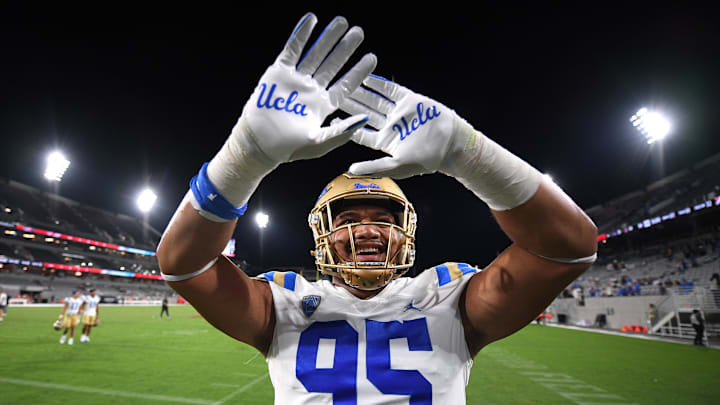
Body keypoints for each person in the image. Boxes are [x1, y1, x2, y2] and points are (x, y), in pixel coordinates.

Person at [156, 13, 598, 404]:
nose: (368, 231)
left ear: (406, 231)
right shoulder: (285, 301)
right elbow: (182, 263)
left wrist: (468, 153)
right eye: (349, 219)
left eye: (384, 220)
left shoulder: (448, 297)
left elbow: (569, 248)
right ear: (320, 236)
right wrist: (243, 157)